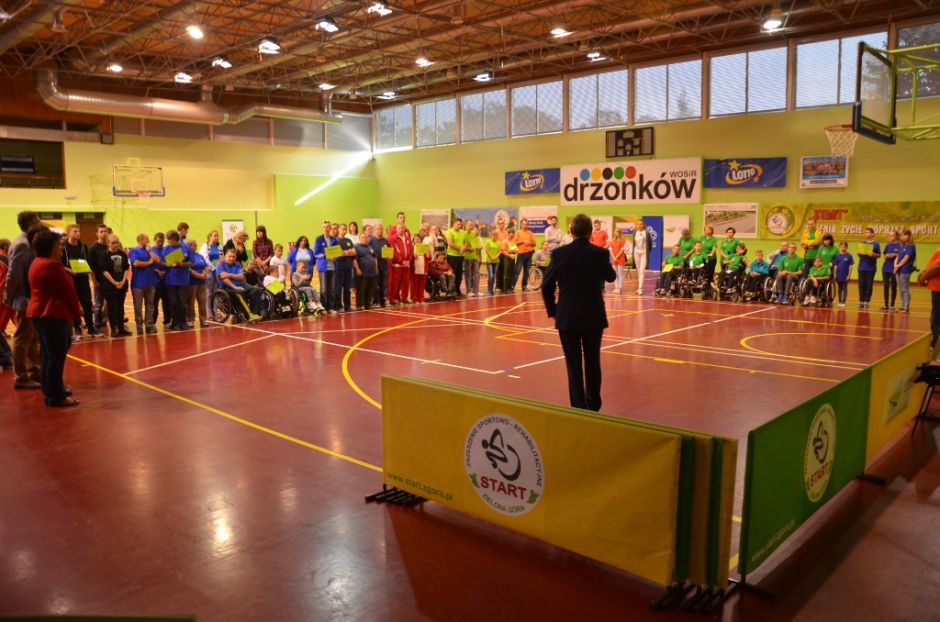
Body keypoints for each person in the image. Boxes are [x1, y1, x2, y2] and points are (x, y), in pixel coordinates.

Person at [541, 214, 616, 412]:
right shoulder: (600, 253)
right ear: (590, 232)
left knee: (573, 364)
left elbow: (546, 286)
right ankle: (593, 404)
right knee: (593, 360)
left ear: (571, 231)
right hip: (593, 315)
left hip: (568, 316)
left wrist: (553, 310)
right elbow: (611, 276)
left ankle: (578, 406)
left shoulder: (559, 254)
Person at [26, 228, 82, 407]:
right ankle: (56, 396)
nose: (61, 248)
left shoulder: (37, 262)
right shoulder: (52, 265)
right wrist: (77, 314)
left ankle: (50, 389)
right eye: (58, 245)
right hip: (51, 313)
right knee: (55, 357)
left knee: (47, 355)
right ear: (50, 247)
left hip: (39, 312)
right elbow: (68, 292)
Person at [5, 211, 43, 389]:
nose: (40, 222)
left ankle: (35, 370)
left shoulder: (28, 240)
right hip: (24, 298)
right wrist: (8, 294)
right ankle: (21, 376)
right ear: (30, 223)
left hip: (31, 296)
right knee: (22, 338)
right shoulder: (22, 244)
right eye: (37, 220)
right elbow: (13, 273)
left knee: (33, 337)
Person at [60, 224, 97, 340]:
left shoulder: (84, 247)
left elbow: (88, 261)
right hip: (70, 280)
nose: (77, 233)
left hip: (83, 280)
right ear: (68, 233)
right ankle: (77, 328)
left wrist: (88, 268)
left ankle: (91, 327)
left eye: (78, 231)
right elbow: (60, 264)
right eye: (75, 231)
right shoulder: (63, 247)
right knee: (74, 305)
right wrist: (69, 270)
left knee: (87, 304)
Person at [98, 234, 132, 337]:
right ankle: (113, 329)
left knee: (120, 307)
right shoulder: (104, 255)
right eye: (113, 243)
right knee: (112, 307)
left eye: (117, 242)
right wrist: (114, 282)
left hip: (121, 284)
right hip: (110, 286)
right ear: (108, 243)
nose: (116, 244)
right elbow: (104, 270)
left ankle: (121, 328)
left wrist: (123, 281)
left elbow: (126, 268)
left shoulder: (122, 254)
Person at [128, 233, 160, 334]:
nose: (148, 240)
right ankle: (139, 325)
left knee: (150, 305)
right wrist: (149, 263)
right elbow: (136, 263)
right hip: (138, 283)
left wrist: (149, 251)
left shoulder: (150, 250)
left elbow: (158, 260)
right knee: (138, 306)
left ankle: (149, 324)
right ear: (140, 239)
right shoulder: (134, 250)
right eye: (147, 239)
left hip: (151, 282)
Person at [217, 248, 262, 318]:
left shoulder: (237, 264)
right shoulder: (221, 264)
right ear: (225, 256)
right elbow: (224, 278)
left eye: (233, 257)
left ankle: (254, 313)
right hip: (227, 287)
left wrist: (229, 275)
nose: (231, 258)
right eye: (229, 256)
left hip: (241, 284)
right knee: (240, 292)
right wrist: (235, 287)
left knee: (256, 290)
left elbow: (241, 277)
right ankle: (247, 315)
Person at [162, 230, 193, 330]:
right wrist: (169, 264)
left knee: (182, 303)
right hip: (171, 281)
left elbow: (192, 262)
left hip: (183, 280)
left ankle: (183, 322)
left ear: (175, 239)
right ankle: (175, 323)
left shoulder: (186, 248)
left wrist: (182, 264)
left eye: (170, 240)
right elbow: (162, 263)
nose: (168, 241)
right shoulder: (166, 249)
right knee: (173, 303)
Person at [86, 223, 110, 331]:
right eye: (101, 231)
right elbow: (90, 267)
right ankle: (97, 324)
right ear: (97, 233)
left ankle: (107, 320)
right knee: (98, 304)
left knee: (110, 303)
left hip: (109, 281)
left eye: (105, 231)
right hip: (99, 280)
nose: (104, 233)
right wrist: (94, 281)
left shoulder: (110, 246)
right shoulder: (92, 248)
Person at [916, 245, 940, 347]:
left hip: (938, 287)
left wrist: (924, 277)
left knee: (937, 318)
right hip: (936, 286)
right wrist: (924, 272)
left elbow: (937, 267)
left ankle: (936, 345)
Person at [313, 221, 337, 313]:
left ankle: (331, 308)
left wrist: (336, 256)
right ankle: (323, 308)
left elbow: (337, 252)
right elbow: (316, 253)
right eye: (324, 227)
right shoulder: (318, 239)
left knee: (332, 288)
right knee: (323, 289)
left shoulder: (334, 240)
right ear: (322, 228)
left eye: (327, 227)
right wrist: (326, 255)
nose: (326, 229)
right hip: (323, 267)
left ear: (330, 228)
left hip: (333, 267)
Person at [332, 223, 356, 312]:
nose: (344, 231)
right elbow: (336, 254)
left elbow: (354, 252)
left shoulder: (348, 240)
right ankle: (338, 306)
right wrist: (347, 252)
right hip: (339, 267)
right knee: (338, 288)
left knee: (347, 288)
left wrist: (344, 252)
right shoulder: (335, 241)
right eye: (343, 229)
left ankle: (347, 306)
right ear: (338, 229)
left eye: (346, 229)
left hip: (348, 267)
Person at [387, 223, 412, 305]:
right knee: (395, 283)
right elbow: (393, 251)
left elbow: (410, 250)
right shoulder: (393, 238)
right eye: (399, 228)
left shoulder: (408, 238)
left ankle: (404, 298)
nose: (401, 229)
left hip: (406, 265)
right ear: (396, 229)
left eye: (402, 228)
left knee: (406, 282)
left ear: (404, 229)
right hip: (397, 265)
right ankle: (393, 298)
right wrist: (401, 261)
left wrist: (409, 260)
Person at [187, 239, 210, 327]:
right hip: (191, 282)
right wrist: (197, 275)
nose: (194, 246)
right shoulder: (187, 257)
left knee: (202, 302)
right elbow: (188, 269)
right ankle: (190, 320)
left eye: (195, 245)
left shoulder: (200, 256)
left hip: (202, 283)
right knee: (190, 302)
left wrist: (204, 274)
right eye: (191, 245)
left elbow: (205, 266)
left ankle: (203, 319)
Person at [856, 227, 881, 309]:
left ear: (872, 234)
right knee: (861, 285)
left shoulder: (876, 244)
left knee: (869, 285)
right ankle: (861, 301)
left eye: (868, 232)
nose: (866, 234)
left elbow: (879, 255)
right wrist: (858, 253)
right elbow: (859, 254)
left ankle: (866, 301)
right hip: (861, 267)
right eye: (865, 232)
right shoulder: (862, 243)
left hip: (871, 268)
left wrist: (873, 254)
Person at [199, 230, 222, 316]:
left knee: (216, 291)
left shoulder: (220, 246)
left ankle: (215, 311)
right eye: (214, 236)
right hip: (208, 270)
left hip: (217, 271)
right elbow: (205, 259)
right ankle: (208, 313)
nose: (216, 237)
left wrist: (218, 269)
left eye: (217, 236)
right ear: (209, 237)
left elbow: (221, 259)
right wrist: (213, 268)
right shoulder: (205, 246)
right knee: (209, 292)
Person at [354, 232, 378, 310]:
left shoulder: (370, 247)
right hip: (362, 272)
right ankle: (359, 305)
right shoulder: (356, 247)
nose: (365, 239)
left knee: (370, 289)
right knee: (361, 290)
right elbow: (354, 259)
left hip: (372, 272)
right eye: (363, 238)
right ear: (359, 239)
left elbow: (375, 258)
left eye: (366, 238)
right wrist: (357, 269)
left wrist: (376, 268)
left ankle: (368, 304)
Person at [894, 230, 916, 314]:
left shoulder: (911, 246)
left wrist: (898, 266)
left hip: (905, 270)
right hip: (899, 270)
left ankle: (906, 307)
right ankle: (903, 306)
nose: (902, 237)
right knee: (901, 289)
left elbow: (906, 258)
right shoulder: (902, 246)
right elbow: (898, 257)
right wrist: (895, 265)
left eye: (904, 235)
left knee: (905, 288)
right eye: (901, 235)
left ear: (909, 236)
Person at [0, 239, 14, 370]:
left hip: (6, 298)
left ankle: (7, 357)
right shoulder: (2, 261)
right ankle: (7, 357)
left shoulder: (4, 260)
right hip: (5, 298)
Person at [512, 218, 536, 291]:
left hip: (529, 254)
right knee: (517, 271)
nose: (525, 225)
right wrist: (523, 241)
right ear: (521, 225)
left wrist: (530, 243)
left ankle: (524, 286)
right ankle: (512, 286)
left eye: (526, 224)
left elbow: (534, 243)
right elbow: (515, 242)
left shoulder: (530, 233)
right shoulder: (518, 233)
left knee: (527, 271)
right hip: (521, 254)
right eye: (524, 224)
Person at [369, 224, 389, 308]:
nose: (379, 230)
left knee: (382, 284)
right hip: (374, 266)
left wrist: (388, 256)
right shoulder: (370, 240)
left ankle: (382, 301)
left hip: (383, 266)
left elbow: (389, 252)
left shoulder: (386, 241)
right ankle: (375, 301)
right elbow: (368, 251)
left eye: (381, 229)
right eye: (377, 229)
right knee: (374, 285)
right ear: (374, 230)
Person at [881, 230, 901, 312]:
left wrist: (895, 254)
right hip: (886, 268)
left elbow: (902, 256)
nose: (891, 237)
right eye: (890, 235)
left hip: (894, 268)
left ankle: (892, 305)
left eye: (892, 235)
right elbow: (884, 255)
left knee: (893, 286)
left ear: (896, 236)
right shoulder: (888, 245)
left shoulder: (900, 245)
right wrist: (886, 256)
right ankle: (886, 305)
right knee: (886, 286)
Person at [445, 218, 466, 295]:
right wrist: (460, 248)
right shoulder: (449, 232)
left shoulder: (463, 232)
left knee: (459, 274)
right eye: (458, 224)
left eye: (461, 224)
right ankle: (451, 290)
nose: (460, 226)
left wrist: (464, 248)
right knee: (453, 273)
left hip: (460, 256)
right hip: (452, 256)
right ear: (454, 224)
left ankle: (457, 289)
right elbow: (450, 244)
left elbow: (465, 242)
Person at [633, 219, 652, 295]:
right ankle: (639, 287)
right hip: (636, 253)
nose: (639, 225)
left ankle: (640, 288)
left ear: (643, 225)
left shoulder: (646, 233)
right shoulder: (635, 232)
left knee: (641, 271)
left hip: (644, 253)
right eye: (638, 224)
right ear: (636, 225)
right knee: (638, 271)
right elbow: (634, 243)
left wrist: (646, 251)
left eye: (641, 224)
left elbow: (650, 244)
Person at [832, 242, 854, 308]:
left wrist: (849, 275)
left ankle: (843, 302)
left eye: (844, 247)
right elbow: (835, 266)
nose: (843, 248)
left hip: (845, 275)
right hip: (838, 275)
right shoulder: (837, 256)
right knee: (839, 288)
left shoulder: (849, 256)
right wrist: (835, 274)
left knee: (844, 288)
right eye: (841, 247)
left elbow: (850, 266)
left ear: (846, 247)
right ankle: (840, 302)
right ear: (839, 247)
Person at [463, 219, 481, 297]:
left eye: (472, 225)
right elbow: (462, 246)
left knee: (477, 274)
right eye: (470, 225)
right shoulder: (463, 234)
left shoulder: (474, 234)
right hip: (467, 257)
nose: (472, 226)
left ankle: (476, 291)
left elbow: (476, 246)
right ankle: (468, 291)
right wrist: (469, 249)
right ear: (466, 225)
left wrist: (477, 256)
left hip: (474, 257)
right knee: (468, 275)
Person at [412, 232, 431, 304]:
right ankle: (415, 299)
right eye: (415, 239)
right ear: (413, 240)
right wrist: (413, 255)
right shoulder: (411, 247)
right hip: (415, 268)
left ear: (421, 240)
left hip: (423, 268)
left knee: (422, 285)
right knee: (415, 285)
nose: (417, 240)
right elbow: (409, 258)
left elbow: (429, 258)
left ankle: (421, 298)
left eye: (418, 239)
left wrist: (428, 253)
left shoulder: (424, 247)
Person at [609, 229, 626, 294]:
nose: (615, 233)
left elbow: (622, 250)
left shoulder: (623, 241)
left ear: (619, 233)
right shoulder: (612, 241)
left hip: (620, 259)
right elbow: (610, 250)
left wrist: (616, 257)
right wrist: (613, 257)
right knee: (615, 274)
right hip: (614, 259)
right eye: (615, 231)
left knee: (620, 274)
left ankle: (620, 287)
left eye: (617, 231)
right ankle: (616, 287)